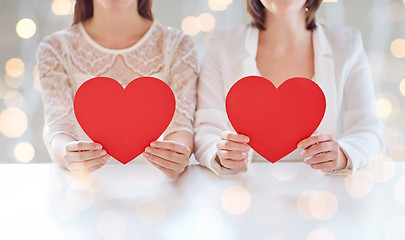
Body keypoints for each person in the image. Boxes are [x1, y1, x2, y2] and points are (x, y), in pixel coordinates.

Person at [194, 0, 384, 176]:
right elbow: (206, 127)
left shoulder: (348, 44)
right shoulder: (223, 43)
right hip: (243, 193)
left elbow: (367, 130)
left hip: (322, 196)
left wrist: (342, 154)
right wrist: (220, 153)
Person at [37, 0, 197, 178]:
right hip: (85, 186)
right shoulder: (55, 48)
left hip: (157, 185)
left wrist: (176, 157)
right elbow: (59, 128)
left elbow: (181, 125)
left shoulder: (178, 45)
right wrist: (69, 156)